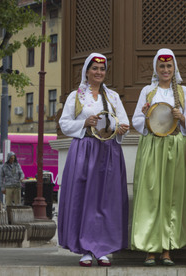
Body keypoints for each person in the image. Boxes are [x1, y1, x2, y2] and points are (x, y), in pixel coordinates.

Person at [58, 53, 130, 267]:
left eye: (102, 69)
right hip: (85, 150)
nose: (99, 72)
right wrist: (85, 122)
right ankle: (86, 249)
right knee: (85, 199)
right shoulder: (76, 96)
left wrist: (120, 128)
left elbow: (123, 121)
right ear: (87, 71)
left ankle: (103, 248)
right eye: (95, 68)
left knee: (105, 200)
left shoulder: (113, 97)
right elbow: (64, 123)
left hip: (108, 151)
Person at [131, 48, 186, 266]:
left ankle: (167, 248)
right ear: (156, 68)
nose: (166, 70)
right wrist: (147, 116)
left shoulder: (184, 92)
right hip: (152, 146)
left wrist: (182, 117)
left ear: (174, 68)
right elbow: (136, 122)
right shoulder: (148, 91)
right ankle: (150, 248)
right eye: (162, 66)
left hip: (175, 146)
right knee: (152, 196)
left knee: (171, 197)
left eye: (169, 66)